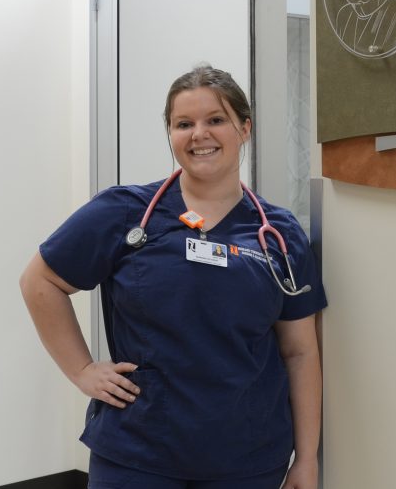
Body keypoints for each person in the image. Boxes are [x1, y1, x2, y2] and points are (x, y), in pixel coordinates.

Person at [20, 65, 327, 488]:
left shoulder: (279, 234)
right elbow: (40, 281)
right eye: (184, 124)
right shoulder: (124, 212)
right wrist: (83, 369)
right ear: (171, 133)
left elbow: (300, 352)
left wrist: (306, 458)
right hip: (138, 453)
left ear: (244, 128)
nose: (199, 134)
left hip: (247, 458)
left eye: (215, 120)